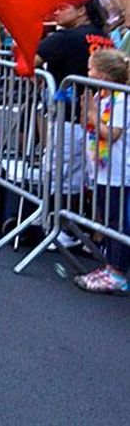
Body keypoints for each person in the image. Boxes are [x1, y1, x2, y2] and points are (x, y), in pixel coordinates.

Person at [76, 48, 130, 295]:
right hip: (100, 169)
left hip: (118, 173)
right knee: (107, 218)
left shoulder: (122, 100)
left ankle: (117, 272)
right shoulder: (102, 96)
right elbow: (88, 125)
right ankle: (109, 266)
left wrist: (91, 113)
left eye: (91, 69)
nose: (87, 72)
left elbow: (111, 134)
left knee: (117, 221)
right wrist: (86, 109)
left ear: (105, 75)